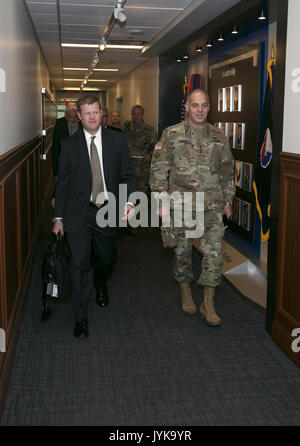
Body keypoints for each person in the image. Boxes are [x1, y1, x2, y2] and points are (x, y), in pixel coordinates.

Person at [52, 94, 136, 338]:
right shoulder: (69, 145)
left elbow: (128, 175)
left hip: (107, 211)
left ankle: (100, 284)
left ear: (102, 114)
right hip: (78, 213)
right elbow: (63, 184)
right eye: (86, 113)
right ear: (78, 116)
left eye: (95, 112)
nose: (91, 117)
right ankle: (80, 317)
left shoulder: (117, 141)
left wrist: (129, 201)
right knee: (78, 264)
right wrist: (58, 218)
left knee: (107, 258)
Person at [150, 89, 234, 326]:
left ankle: (209, 301)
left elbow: (228, 171)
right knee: (182, 250)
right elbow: (158, 170)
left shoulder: (219, 137)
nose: (199, 110)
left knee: (214, 252)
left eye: (204, 105)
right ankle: (185, 288)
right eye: (195, 105)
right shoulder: (171, 135)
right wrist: (161, 202)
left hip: (212, 204)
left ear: (209, 107)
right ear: (186, 107)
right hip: (182, 203)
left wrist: (228, 201)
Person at [122, 105, 157, 194]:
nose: (136, 116)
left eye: (139, 114)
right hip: (127, 170)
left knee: (140, 198)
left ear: (143, 114)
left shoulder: (150, 131)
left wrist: (144, 157)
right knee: (126, 197)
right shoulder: (125, 129)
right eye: (134, 114)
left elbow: (156, 152)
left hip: (143, 172)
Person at [52, 105, 80, 177]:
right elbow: (55, 151)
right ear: (66, 117)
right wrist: (56, 173)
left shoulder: (83, 129)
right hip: (64, 167)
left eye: (75, 117)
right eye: (71, 117)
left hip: (80, 167)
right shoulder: (59, 130)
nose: (74, 120)